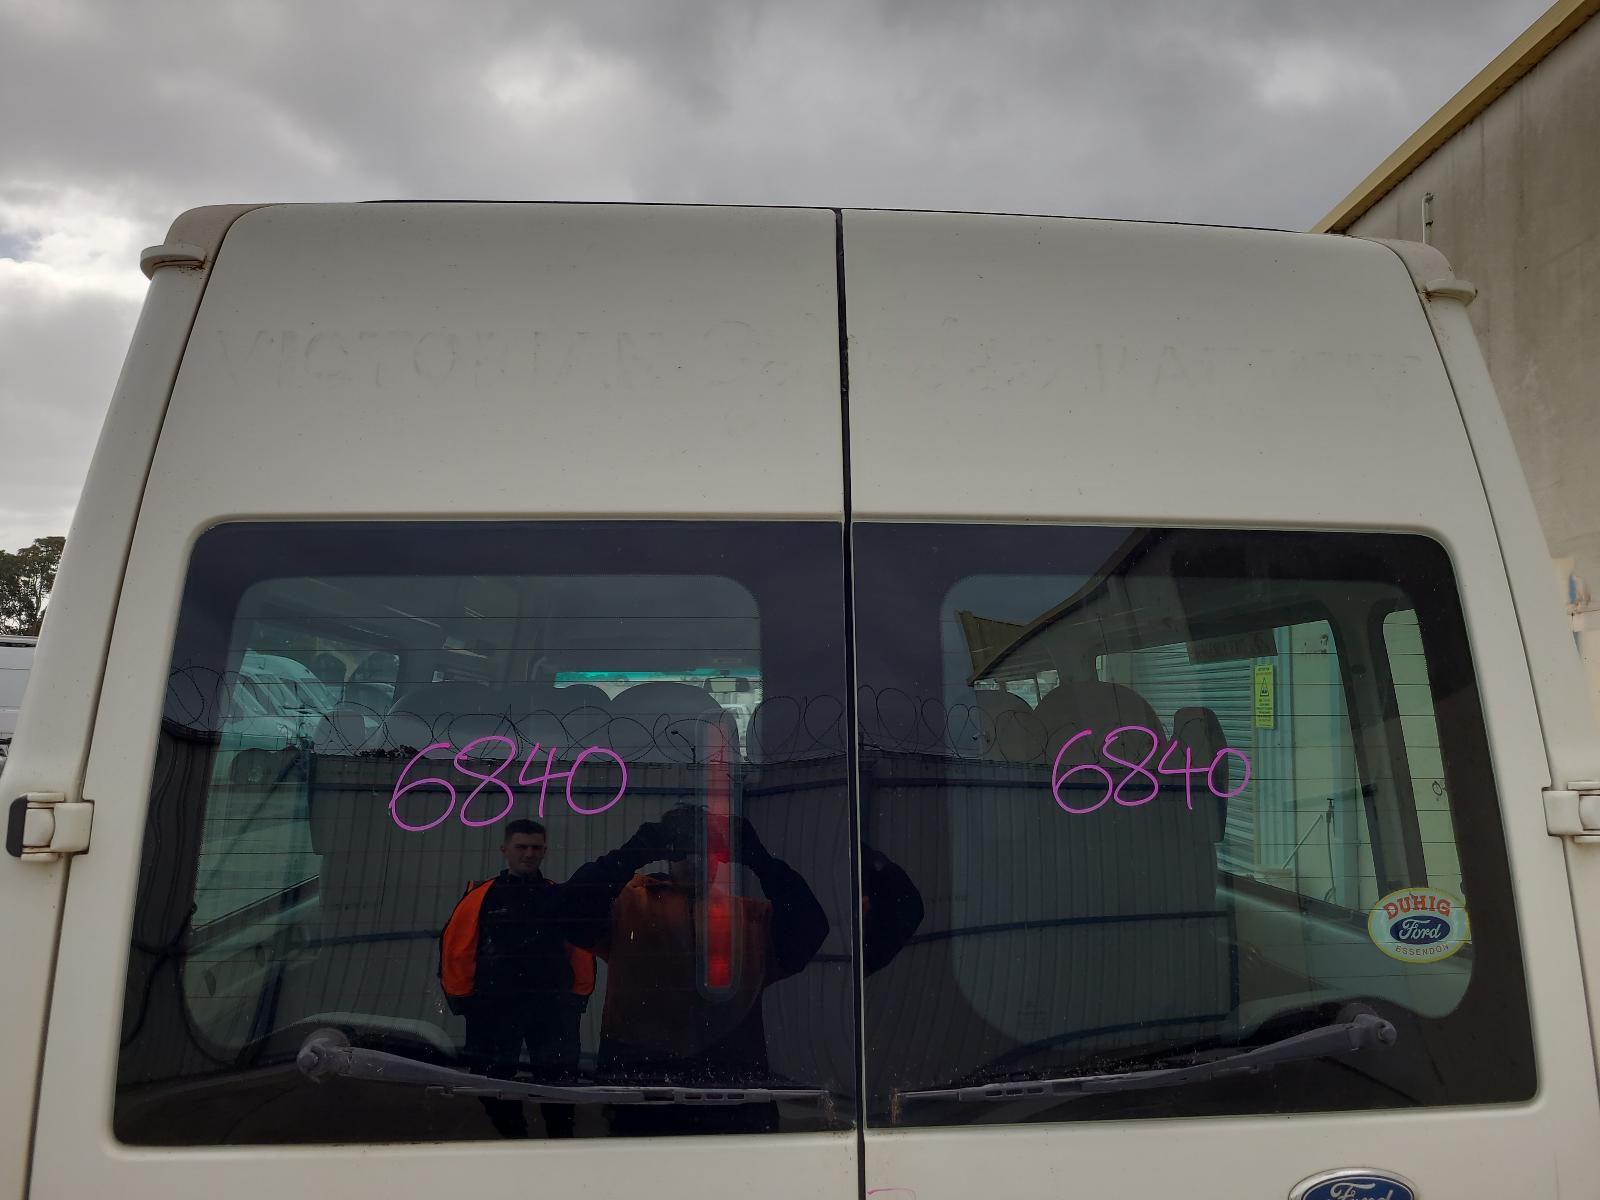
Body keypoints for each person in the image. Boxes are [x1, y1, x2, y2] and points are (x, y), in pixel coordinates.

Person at [558, 804, 829, 1134]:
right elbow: (568, 912)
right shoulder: (627, 905)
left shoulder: (751, 918)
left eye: (707, 850)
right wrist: (633, 853)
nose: (697, 860)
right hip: (643, 1086)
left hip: (732, 1088)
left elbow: (810, 927)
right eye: (684, 849)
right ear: (667, 854)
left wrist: (761, 861)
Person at [439, 818, 594, 1139]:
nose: (528, 853)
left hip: (552, 1009)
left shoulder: (557, 895)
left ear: (545, 851)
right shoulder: (481, 897)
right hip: (495, 1009)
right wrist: (462, 1000)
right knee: (492, 1082)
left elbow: (580, 949)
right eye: (521, 847)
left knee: (559, 1081)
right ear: (505, 850)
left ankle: (561, 1143)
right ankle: (513, 1140)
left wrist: (578, 997)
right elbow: (457, 950)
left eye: (536, 847)